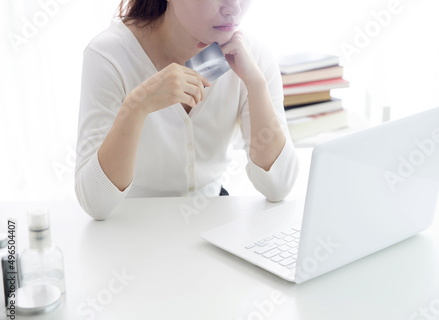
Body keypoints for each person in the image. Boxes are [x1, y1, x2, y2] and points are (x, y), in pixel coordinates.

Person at [75, 0, 299, 220]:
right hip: (133, 227)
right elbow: (96, 203)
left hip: (213, 225)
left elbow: (278, 186)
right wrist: (137, 106)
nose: (234, 8)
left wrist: (256, 84)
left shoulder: (252, 55)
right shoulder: (110, 54)